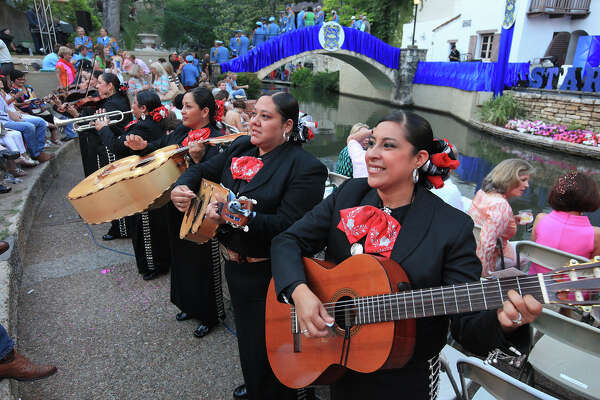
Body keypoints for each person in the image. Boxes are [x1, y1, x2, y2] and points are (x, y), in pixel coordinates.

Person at [270, 110, 542, 400]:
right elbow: (286, 241)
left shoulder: (450, 226)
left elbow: (466, 325)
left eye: (388, 145)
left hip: (404, 379)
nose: (372, 153)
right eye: (372, 143)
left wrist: (505, 322)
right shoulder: (350, 194)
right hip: (339, 357)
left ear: (419, 158)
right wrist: (299, 292)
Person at [170, 92, 328, 400]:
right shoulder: (242, 145)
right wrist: (182, 186)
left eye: (266, 117)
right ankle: (256, 384)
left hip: (270, 272)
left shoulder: (305, 167)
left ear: (287, 125)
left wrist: (236, 215)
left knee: (276, 344)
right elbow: (203, 170)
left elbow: (288, 227)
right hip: (233, 263)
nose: (254, 121)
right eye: (254, 114)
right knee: (249, 339)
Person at [124, 88, 225, 337]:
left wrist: (198, 161)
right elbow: (160, 148)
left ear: (205, 112)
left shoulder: (217, 138)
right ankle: (188, 304)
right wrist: (143, 145)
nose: (183, 111)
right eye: (183, 106)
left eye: (189, 107)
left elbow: (217, 175)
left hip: (200, 208)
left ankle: (209, 314)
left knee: (202, 262)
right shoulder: (181, 131)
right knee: (180, 257)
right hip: (174, 203)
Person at [96, 90, 171, 280]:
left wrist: (103, 129)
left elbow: (117, 147)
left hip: (146, 182)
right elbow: (125, 135)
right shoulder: (150, 122)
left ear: (143, 108)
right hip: (152, 180)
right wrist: (109, 128)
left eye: (135, 103)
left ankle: (153, 266)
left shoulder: (145, 127)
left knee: (146, 227)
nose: (132, 106)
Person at [468, 159, 535, 276]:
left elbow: (486, 222)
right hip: (487, 259)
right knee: (528, 254)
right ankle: (510, 282)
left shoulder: (483, 193)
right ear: (509, 178)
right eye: (523, 180)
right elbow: (487, 245)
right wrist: (486, 276)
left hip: (470, 248)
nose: (527, 185)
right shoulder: (501, 205)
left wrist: (512, 220)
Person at [529, 171, 600, 275]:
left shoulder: (541, 219)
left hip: (535, 283)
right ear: (590, 197)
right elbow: (594, 273)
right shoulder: (596, 235)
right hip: (573, 290)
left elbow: (533, 254)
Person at [0, 75, 52, 163]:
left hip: (10, 118)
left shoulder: (1, 94)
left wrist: (17, 114)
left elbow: (7, 109)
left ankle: (40, 151)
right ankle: (36, 154)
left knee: (40, 122)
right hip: (3, 123)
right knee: (29, 127)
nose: (1, 82)